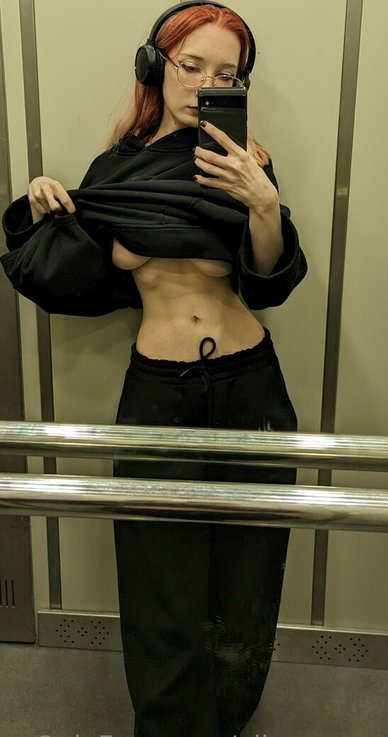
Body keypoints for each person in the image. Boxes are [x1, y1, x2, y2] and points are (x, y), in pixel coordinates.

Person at [1, 2, 307, 735]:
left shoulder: (245, 166)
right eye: (191, 66)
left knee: (247, 574)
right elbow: (67, 273)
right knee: (156, 581)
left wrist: (265, 206)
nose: (206, 85)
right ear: (153, 66)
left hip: (250, 386)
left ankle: (229, 719)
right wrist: (46, 202)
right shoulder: (115, 173)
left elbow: (269, 283)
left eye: (226, 75)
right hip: (159, 394)